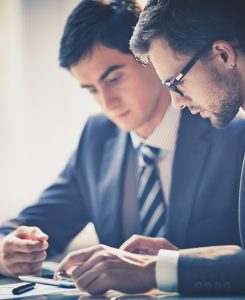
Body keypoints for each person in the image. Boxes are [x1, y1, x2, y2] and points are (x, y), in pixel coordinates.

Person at [1, 0, 245, 293]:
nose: (107, 102)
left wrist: (163, 267)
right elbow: (33, 223)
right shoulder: (97, 137)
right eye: (91, 89)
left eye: (114, 79)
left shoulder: (227, 120)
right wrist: (8, 250)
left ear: (151, 60)